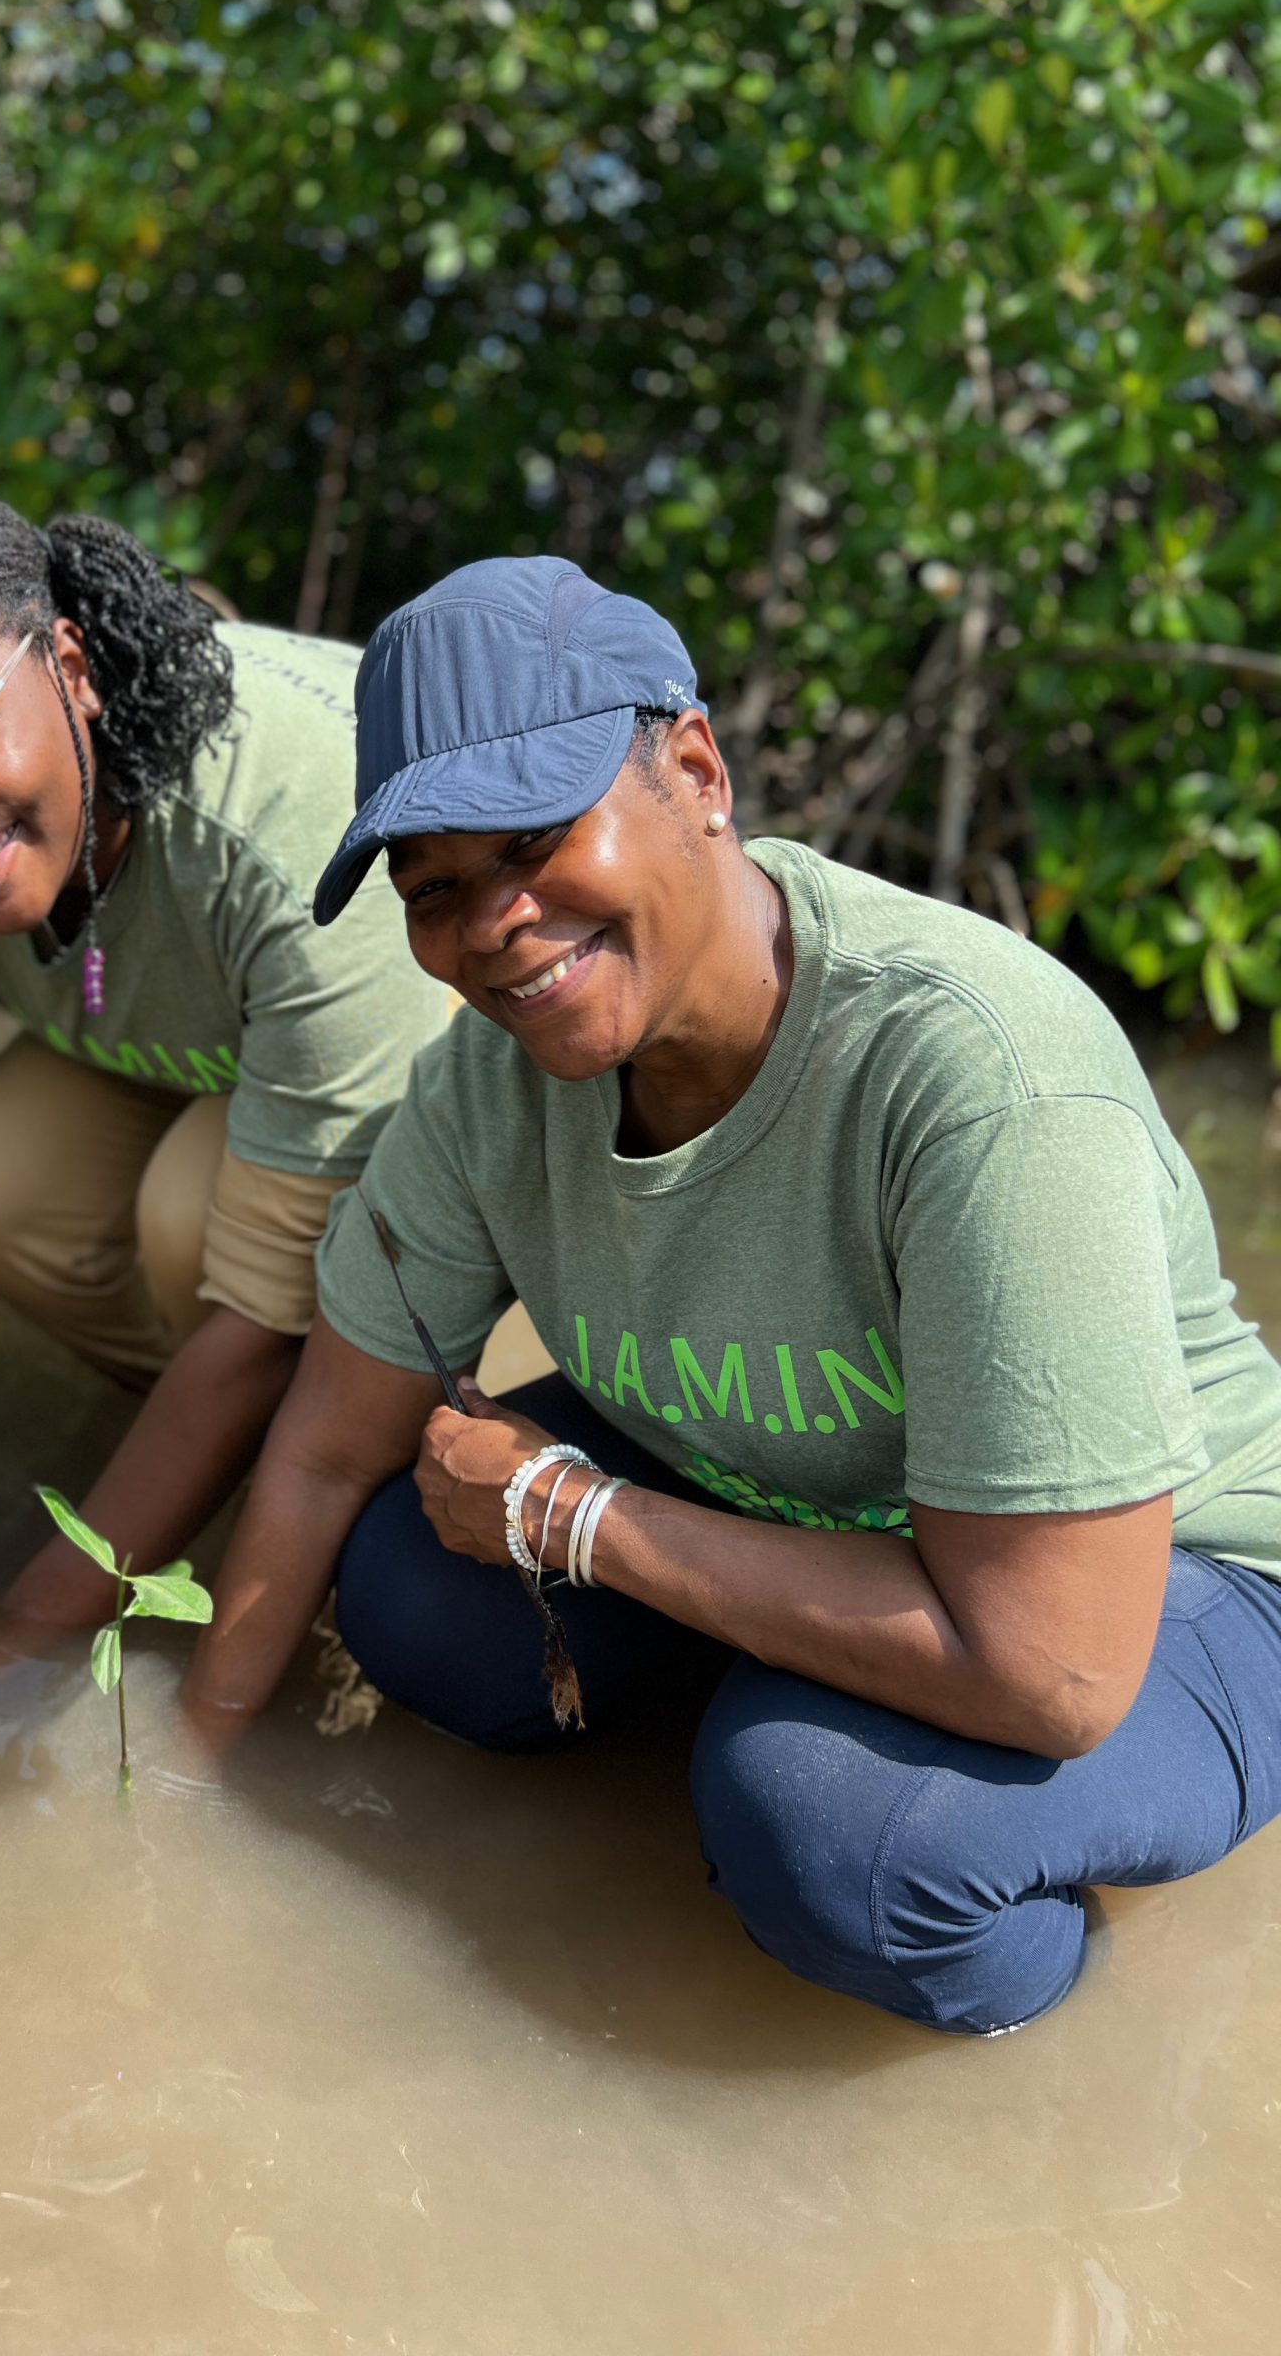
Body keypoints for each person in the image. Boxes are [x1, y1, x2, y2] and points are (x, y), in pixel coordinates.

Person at [180, 554, 1281, 2035]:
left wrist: (583, 1520)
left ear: (696, 769)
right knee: (418, 1593)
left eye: (533, 842)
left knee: (840, 1834)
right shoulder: (484, 1090)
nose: (494, 924)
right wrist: (186, 1791)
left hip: (1177, 1587)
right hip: (821, 1511)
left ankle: (1067, 2005)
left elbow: (1054, 1672)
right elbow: (322, 1450)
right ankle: (769, 1704)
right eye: (437, 891)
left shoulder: (976, 1080)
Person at [0, 485, 446, 1638]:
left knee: (198, 1221)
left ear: (71, 664)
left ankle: (327, 1461)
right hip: (212, 1042)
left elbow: (260, 1311)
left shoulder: (285, 821)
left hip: (432, 1081)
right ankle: (205, 1452)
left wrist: (15, 1636)